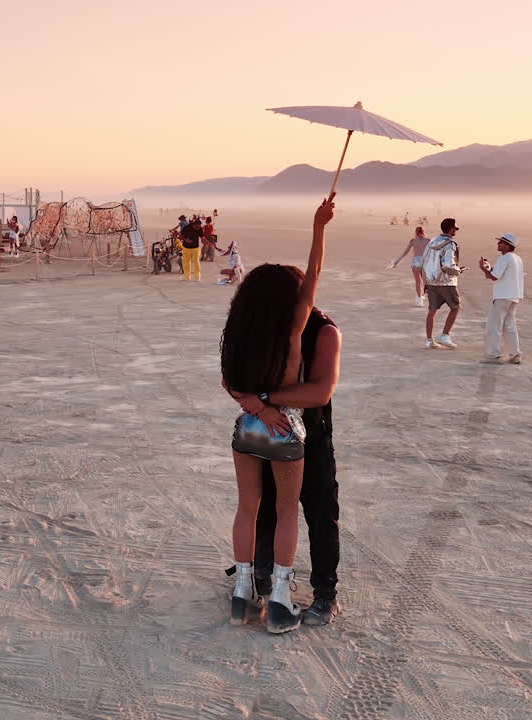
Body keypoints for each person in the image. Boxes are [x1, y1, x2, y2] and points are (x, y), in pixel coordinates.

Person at [221, 193, 335, 634]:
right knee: (288, 512)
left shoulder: (239, 334)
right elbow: (316, 276)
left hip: (245, 429)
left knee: (247, 508)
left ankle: (242, 593)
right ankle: (282, 601)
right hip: (284, 429)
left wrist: (255, 406)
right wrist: (319, 227)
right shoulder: (293, 331)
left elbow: (228, 382)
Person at [479, 232, 524, 364]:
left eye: (501, 242)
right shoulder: (517, 258)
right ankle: (515, 354)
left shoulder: (504, 258)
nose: (498, 244)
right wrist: (489, 269)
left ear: (507, 245)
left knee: (494, 326)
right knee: (509, 326)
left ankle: (493, 355)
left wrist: (483, 268)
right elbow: (498, 274)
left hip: (502, 296)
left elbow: (494, 277)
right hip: (514, 296)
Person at [422, 218, 463, 349]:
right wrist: (458, 271)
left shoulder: (432, 242)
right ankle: (445, 335)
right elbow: (447, 265)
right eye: (455, 229)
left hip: (431, 281)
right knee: (455, 307)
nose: (455, 231)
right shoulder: (450, 244)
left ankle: (429, 340)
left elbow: (423, 261)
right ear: (451, 229)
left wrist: (426, 281)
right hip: (446, 282)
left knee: (432, 310)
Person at [389, 226, 432, 306]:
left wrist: (396, 262)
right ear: (423, 232)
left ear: (416, 233)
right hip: (425, 262)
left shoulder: (413, 241)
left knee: (419, 282)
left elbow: (405, 253)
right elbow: (434, 251)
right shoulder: (428, 240)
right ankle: (421, 296)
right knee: (424, 281)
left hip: (416, 263)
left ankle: (420, 299)